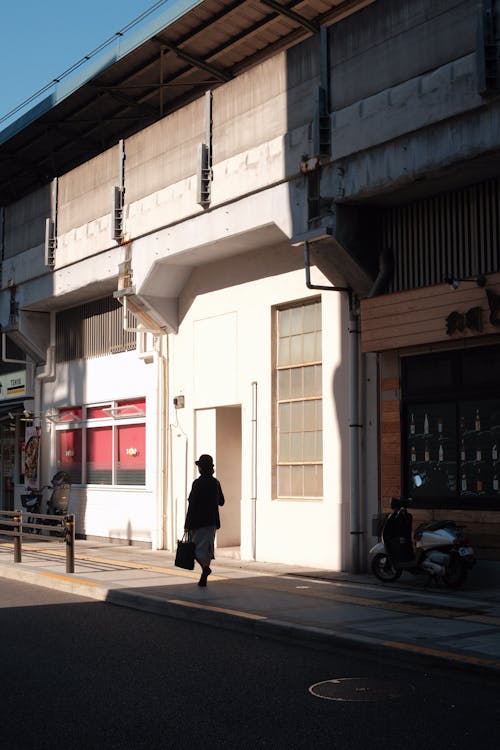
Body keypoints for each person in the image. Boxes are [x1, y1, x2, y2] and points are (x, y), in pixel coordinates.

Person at [184, 454, 225, 587]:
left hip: (197, 522)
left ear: (201, 468)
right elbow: (222, 502)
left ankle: (205, 570)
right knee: (207, 550)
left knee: (193, 549)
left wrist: (187, 524)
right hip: (212, 522)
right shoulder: (215, 483)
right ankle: (203, 577)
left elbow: (192, 504)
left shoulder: (197, 483)